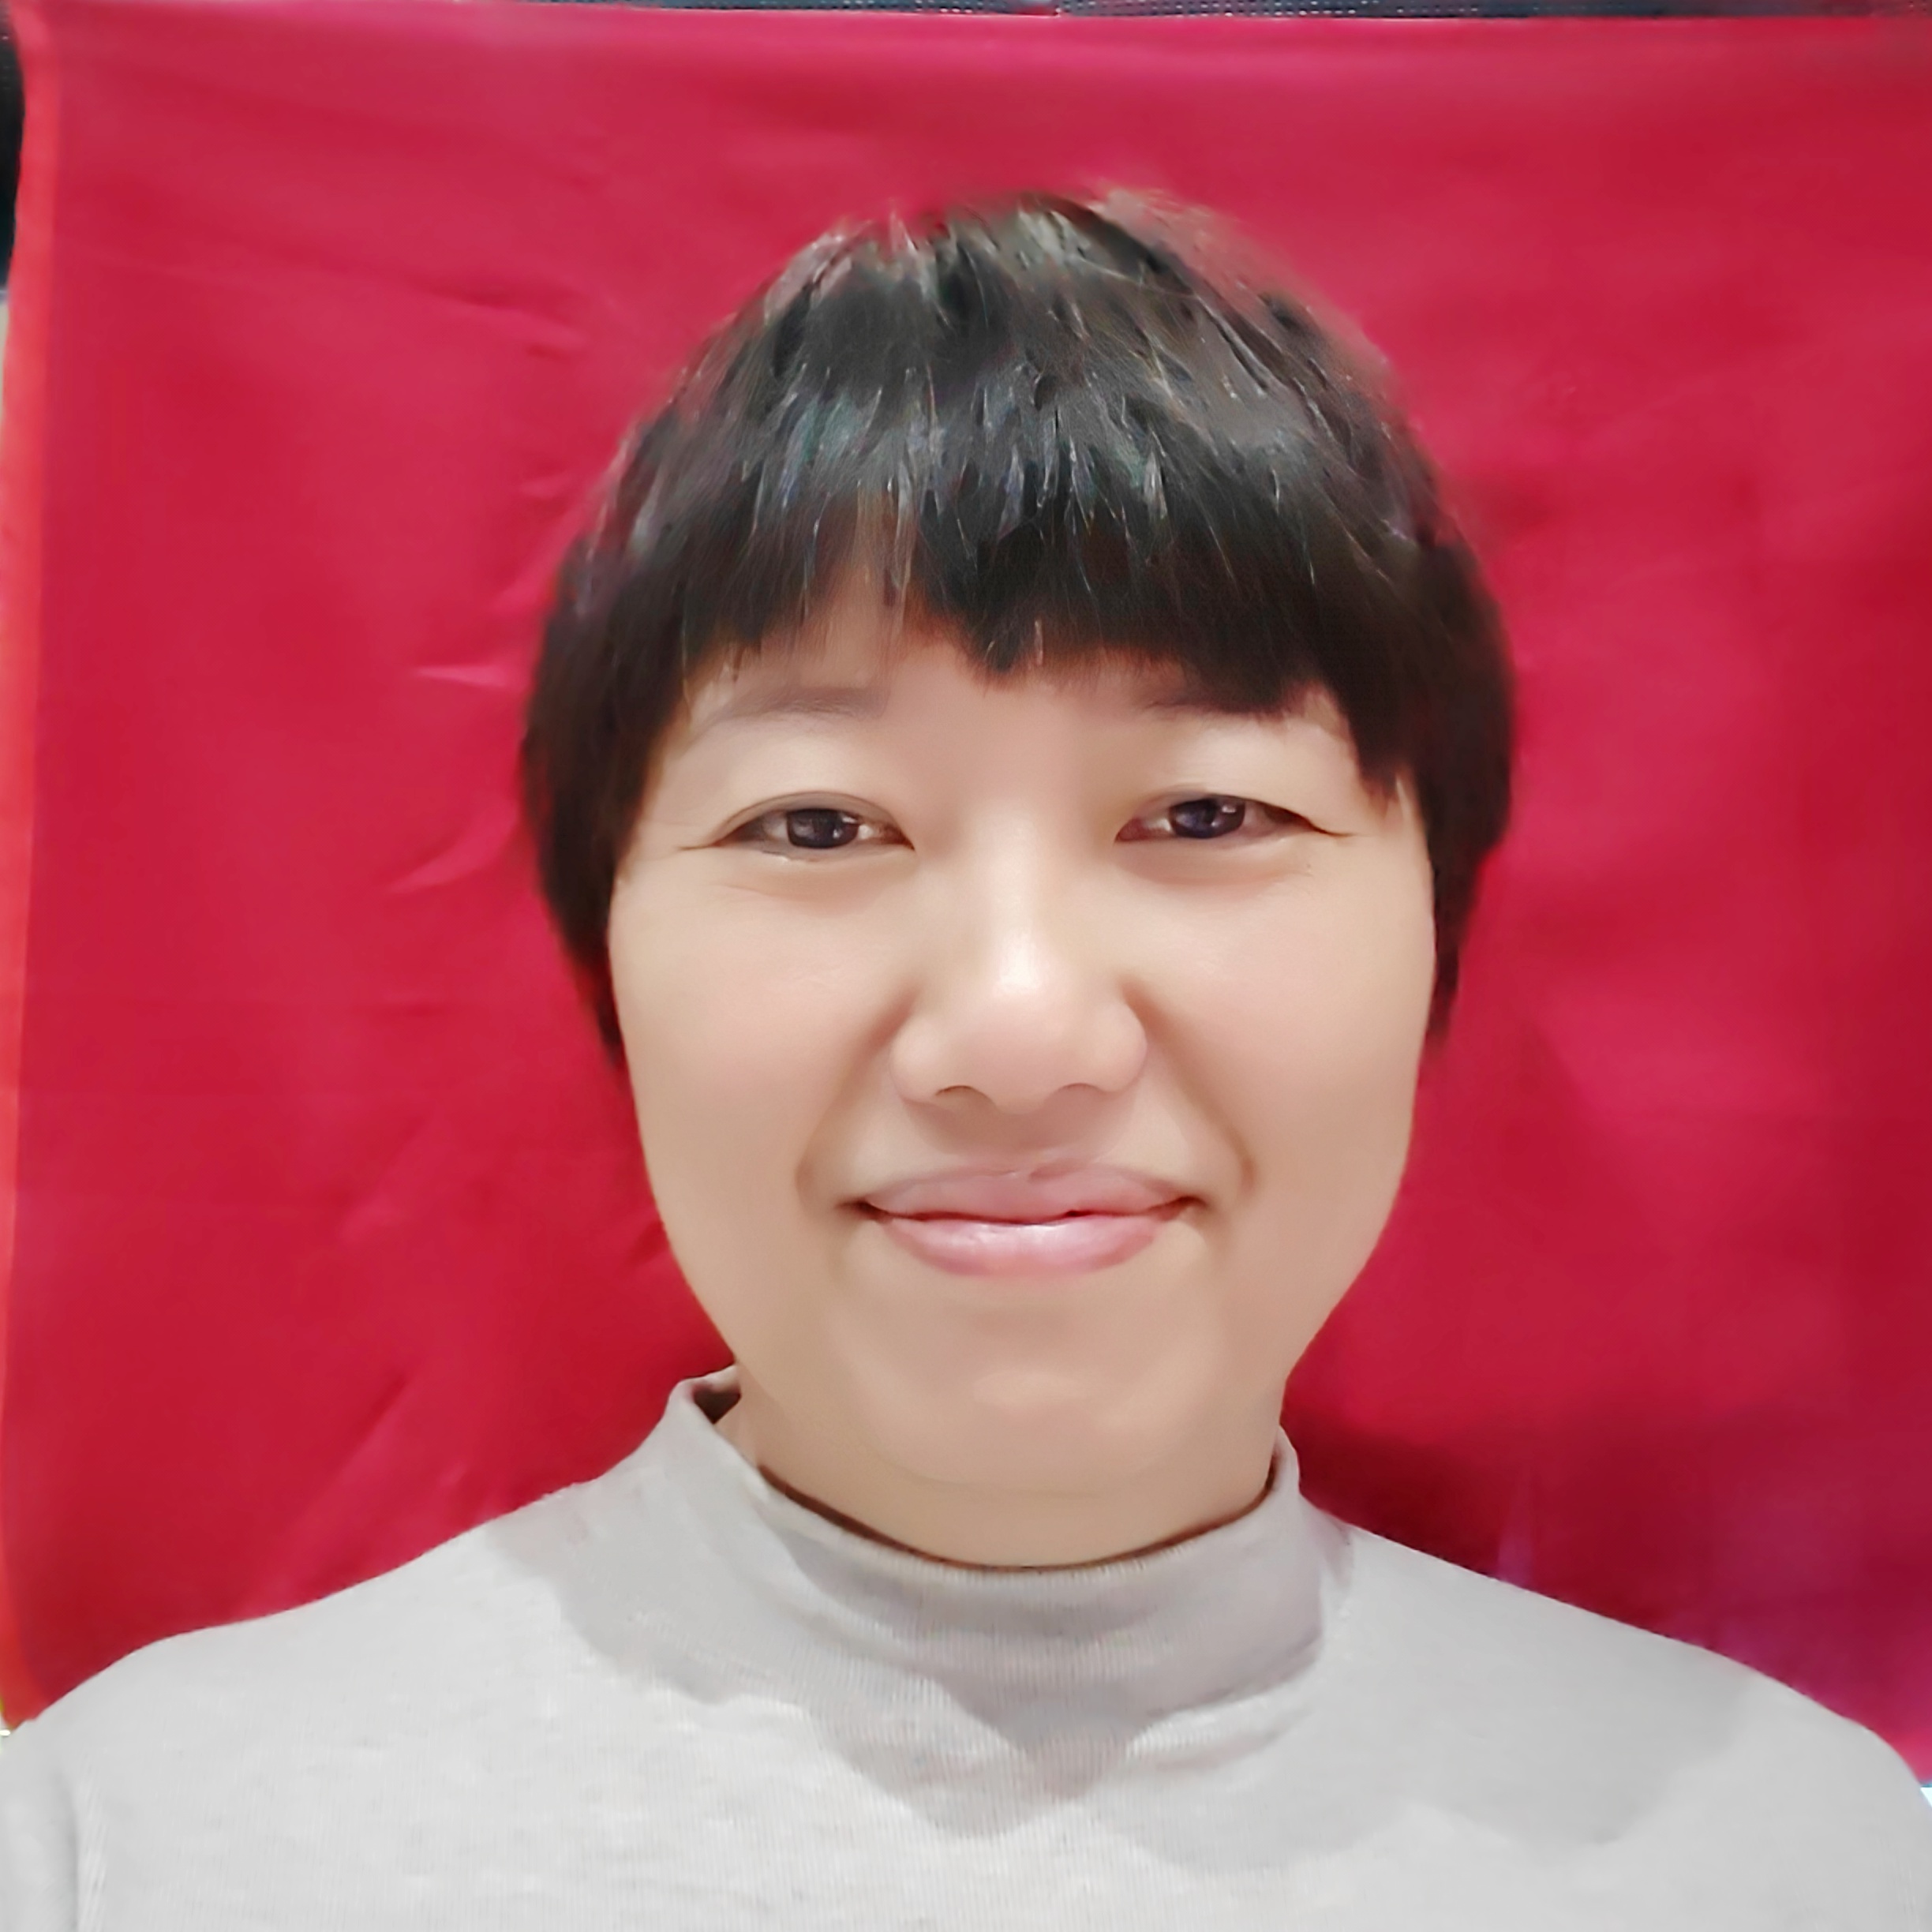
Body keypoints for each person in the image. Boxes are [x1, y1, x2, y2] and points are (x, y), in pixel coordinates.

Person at [1, 193, 1926, 1929]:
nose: (1020, 1035)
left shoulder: (1802, 1862)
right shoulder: (127, 1847)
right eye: (819, 825)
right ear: (609, 955)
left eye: (1205, 815)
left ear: (1434, 931)